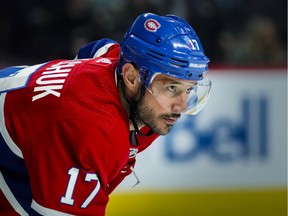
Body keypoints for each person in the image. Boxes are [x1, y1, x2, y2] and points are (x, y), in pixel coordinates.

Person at [0, 13, 211, 215]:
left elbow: (100, 48)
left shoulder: (119, 66)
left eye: (189, 89)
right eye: (172, 88)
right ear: (131, 78)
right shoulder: (91, 131)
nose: (181, 106)